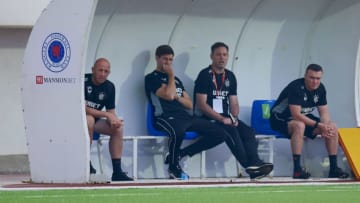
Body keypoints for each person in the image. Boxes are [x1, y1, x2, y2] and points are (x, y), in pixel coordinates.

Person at [194, 42, 273, 180]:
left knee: (248, 131)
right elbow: (201, 105)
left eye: (224, 55)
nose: (222, 58)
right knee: (231, 130)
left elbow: (234, 102)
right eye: (218, 54)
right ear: (211, 56)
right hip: (206, 118)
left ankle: (255, 163)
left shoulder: (230, 76)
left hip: (225, 117)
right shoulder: (204, 75)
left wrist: (234, 117)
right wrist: (221, 119)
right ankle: (250, 167)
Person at [145, 45, 226, 179]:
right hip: (164, 117)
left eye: (171, 60)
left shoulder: (177, 81)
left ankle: (180, 154)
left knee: (220, 133)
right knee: (178, 131)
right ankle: (173, 167)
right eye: (165, 59)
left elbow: (189, 104)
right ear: (157, 58)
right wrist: (171, 76)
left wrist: (176, 95)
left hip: (183, 116)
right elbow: (169, 96)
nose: (168, 63)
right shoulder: (151, 78)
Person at [270, 64, 349, 179]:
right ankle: (297, 170)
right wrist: (318, 125)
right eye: (311, 78)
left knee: (332, 126)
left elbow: (324, 113)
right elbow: (296, 115)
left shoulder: (320, 88)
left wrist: (325, 126)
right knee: (299, 125)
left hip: (303, 117)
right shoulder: (296, 87)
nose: (315, 81)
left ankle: (333, 168)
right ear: (305, 76)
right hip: (280, 118)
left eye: (318, 78)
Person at [85, 58, 133, 181]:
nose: (102, 74)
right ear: (92, 70)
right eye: (100, 70)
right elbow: (81, 108)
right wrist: (106, 115)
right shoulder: (83, 81)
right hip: (77, 120)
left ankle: (117, 171)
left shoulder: (110, 87)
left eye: (106, 71)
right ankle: (85, 163)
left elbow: (111, 111)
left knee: (118, 128)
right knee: (89, 119)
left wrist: (114, 121)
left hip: (95, 120)